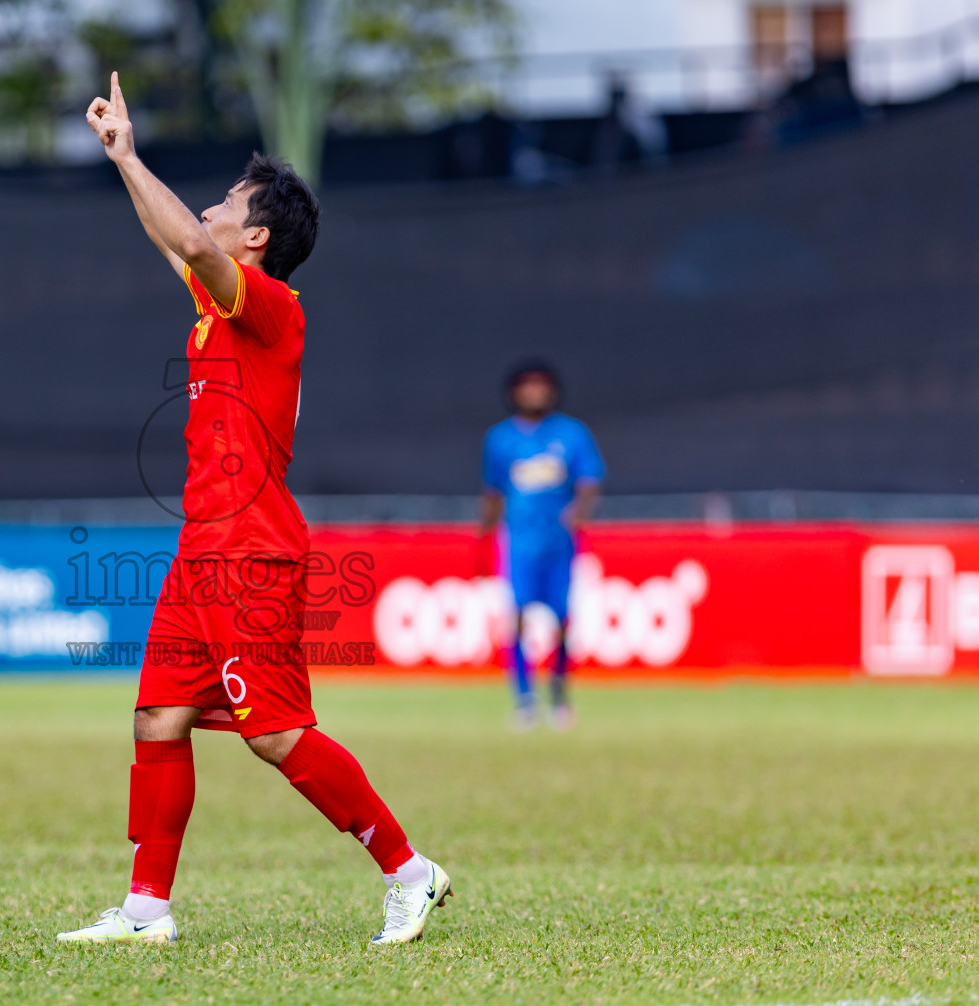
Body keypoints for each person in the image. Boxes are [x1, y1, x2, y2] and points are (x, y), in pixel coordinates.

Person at [57, 74, 450, 946]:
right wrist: (124, 165)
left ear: (258, 236)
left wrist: (129, 152)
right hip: (203, 549)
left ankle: (409, 870)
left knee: (274, 734)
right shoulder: (217, 299)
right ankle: (146, 910)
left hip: (252, 551)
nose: (212, 207)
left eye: (231, 202)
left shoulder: (270, 308)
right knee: (156, 716)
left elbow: (191, 246)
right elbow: (179, 243)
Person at [479, 361, 604, 731]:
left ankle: (560, 694)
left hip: (559, 543)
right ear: (513, 392)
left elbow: (590, 480)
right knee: (516, 618)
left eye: (541, 385)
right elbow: (493, 493)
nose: (535, 392)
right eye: (526, 386)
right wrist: (483, 535)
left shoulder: (571, 434)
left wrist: (577, 513)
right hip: (518, 542)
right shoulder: (500, 439)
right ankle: (524, 700)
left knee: (562, 620)